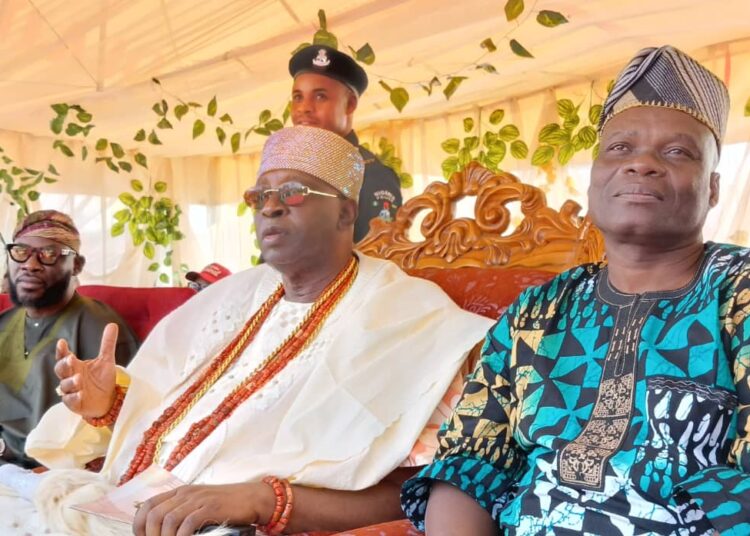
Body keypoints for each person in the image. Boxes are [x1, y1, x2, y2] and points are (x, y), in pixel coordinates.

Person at [0, 126, 492, 535]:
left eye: (293, 193)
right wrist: (108, 407)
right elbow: (172, 429)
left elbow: (422, 485)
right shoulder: (231, 296)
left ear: (345, 211)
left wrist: (264, 500)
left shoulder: (411, 318)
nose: (270, 207)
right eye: (260, 195)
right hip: (121, 507)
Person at [402, 45, 750, 535]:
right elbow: (469, 463)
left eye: (677, 152)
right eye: (620, 148)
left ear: (713, 188)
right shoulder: (539, 311)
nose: (642, 164)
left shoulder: (738, 291)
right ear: (593, 182)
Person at [0, 210, 139, 469]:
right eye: (21, 251)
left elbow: (130, 424)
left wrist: (60, 470)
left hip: (47, 473)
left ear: (75, 265)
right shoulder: (5, 323)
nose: (30, 264)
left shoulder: (99, 326)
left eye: (49, 254)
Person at [289, 44, 403, 242]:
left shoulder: (370, 174)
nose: (304, 108)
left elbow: (378, 259)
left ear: (350, 104)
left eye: (320, 96)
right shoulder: (293, 171)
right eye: (298, 97)